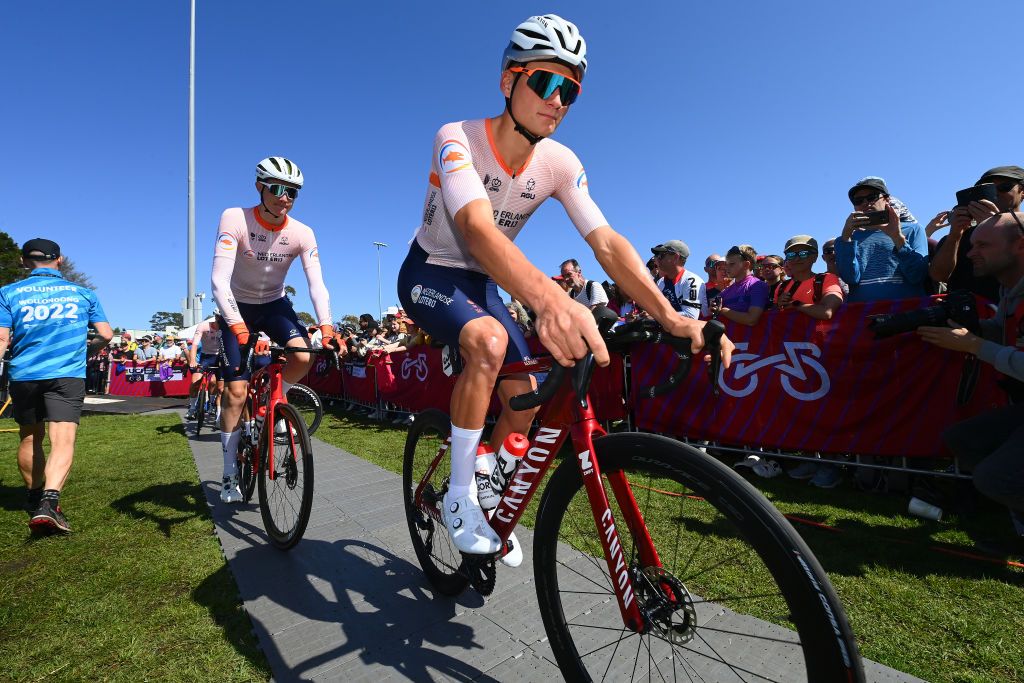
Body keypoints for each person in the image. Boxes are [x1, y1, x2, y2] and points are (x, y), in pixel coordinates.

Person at [396, 14, 733, 562]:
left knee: (527, 398)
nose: (558, 100)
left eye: (570, 90)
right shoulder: (457, 138)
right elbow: (477, 232)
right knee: (487, 342)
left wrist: (673, 319)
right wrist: (549, 300)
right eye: (545, 82)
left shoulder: (559, 162)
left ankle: (486, 480)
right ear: (509, 81)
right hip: (430, 270)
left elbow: (607, 244)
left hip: (483, 281)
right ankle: (459, 496)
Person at [210, 156, 343, 504]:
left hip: (273, 305)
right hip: (236, 306)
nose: (285, 197)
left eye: (293, 192)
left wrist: (327, 329)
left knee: (302, 354)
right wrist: (237, 326)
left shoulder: (302, 232)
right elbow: (218, 280)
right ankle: (227, 473)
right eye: (277, 189)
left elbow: (317, 284)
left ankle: (275, 398)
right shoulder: (234, 217)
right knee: (236, 393)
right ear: (259, 187)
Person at [918, 211, 1024, 557]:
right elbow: (1004, 330)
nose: (970, 252)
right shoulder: (1011, 290)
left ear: (1019, 246)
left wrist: (976, 346)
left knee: (996, 478)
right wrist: (967, 326)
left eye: (982, 244)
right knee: (963, 438)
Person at [0, 238, 113, 533]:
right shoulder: (82, 294)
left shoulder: (8, 293)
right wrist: (86, 350)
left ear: (25, 262)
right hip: (65, 374)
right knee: (62, 439)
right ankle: (50, 503)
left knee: (29, 438)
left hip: (24, 374)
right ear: (59, 260)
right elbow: (106, 334)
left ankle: (34, 497)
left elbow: (1, 340)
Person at [928, 166, 1023, 303]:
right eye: (987, 189)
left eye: (1004, 187)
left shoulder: (1021, 229)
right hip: (965, 316)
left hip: (1010, 315)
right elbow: (938, 275)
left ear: (1022, 191)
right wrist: (954, 235)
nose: (995, 193)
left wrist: (995, 226)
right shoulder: (961, 234)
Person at [835, 177, 929, 302]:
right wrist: (845, 238)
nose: (865, 203)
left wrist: (897, 237)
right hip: (863, 314)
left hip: (906, 312)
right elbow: (850, 278)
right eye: (858, 200)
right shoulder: (847, 239)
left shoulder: (913, 229)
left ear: (887, 199)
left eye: (872, 197)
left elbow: (917, 275)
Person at [710, 245, 769, 326]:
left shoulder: (758, 286)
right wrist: (712, 309)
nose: (727, 268)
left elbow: (751, 319)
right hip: (728, 338)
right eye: (727, 264)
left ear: (746, 265)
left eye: (731, 264)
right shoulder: (725, 292)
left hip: (750, 338)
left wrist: (723, 311)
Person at [651, 240, 707, 319]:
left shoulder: (692, 280)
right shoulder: (660, 282)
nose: (657, 259)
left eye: (662, 255)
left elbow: (691, 316)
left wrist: (656, 315)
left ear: (675, 258)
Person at [186, 316, 224, 421]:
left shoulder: (226, 327)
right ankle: (192, 408)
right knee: (195, 381)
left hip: (220, 357)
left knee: (213, 382)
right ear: (216, 317)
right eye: (219, 318)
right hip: (206, 357)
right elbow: (194, 345)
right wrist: (193, 360)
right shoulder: (203, 326)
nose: (221, 320)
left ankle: (211, 405)